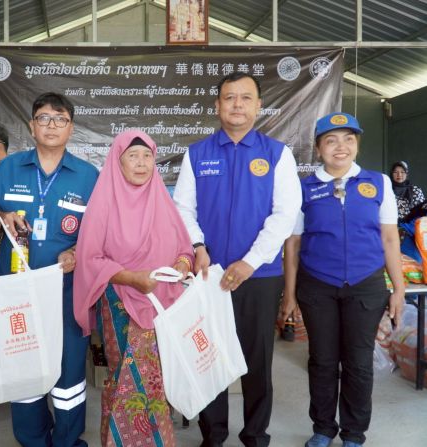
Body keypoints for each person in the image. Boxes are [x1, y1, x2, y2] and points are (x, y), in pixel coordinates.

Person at [173, 72, 301, 447]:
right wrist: (198, 246)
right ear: (217, 106)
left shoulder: (277, 154)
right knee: (208, 357)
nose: (237, 105)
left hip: (259, 276)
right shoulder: (197, 154)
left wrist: (251, 262)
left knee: (256, 361)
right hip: (208, 275)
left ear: (258, 106)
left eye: (246, 98)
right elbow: (183, 209)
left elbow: (285, 214)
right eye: (229, 98)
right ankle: (213, 435)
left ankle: (255, 435)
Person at [281, 113, 404, 447]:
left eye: (349, 139)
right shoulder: (304, 188)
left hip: (366, 285)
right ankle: (323, 428)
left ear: (357, 144)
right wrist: (289, 294)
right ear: (318, 148)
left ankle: (354, 432)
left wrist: (398, 289)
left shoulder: (379, 183)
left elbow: (390, 239)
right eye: (331, 140)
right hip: (317, 285)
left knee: (358, 363)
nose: (341, 147)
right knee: (322, 360)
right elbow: (293, 244)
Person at [0, 92, 99, 447]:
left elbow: (99, 235)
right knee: (24, 370)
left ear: (71, 128)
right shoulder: (8, 168)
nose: (52, 126)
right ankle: (33, 439)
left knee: (69, 374)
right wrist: (0, 216)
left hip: (67, 293)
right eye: (44, 118)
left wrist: (76, 251)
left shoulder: (88, 176)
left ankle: (68, 440)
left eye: (60, 119)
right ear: (31, 125)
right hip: (17, 293)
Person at [73, 130, 193, 446]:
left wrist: (182, 264)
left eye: (147, 156)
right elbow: (90, 258)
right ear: (118, 161)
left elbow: (185, 248)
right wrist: (131, 278)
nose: (141, 163)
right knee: (125, 379)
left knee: (157, 381)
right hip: (121, 303)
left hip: (164, 307)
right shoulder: (104, 203)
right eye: (133, 156)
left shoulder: (162, 200)